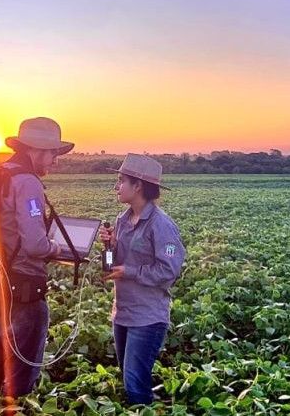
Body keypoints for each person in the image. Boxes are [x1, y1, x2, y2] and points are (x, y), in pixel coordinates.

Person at [0, 117, 73, 398]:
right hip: (23, 288)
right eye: (52, 153)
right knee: (21, 374)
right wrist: (54, 248)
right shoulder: (27, 182)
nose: (55, 161)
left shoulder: (0, 173)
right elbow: (34, 245)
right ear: (36, 150)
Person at [98, 153, 186, 405]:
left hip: (147, 317)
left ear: (138, 186)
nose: (116, 187)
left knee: (135, 385)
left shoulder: (162, 225)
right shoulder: (122, 220)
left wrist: (131, 272)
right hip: (122, 313)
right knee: (130, 380)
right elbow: (112, 266)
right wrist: (110, 246)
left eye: (121, 180)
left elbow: (168, 271)